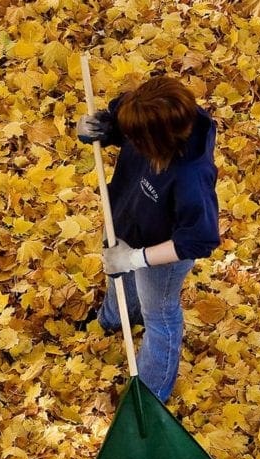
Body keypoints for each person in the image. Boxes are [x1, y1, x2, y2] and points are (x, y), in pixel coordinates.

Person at [75, 75, 220, 403]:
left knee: (160, 313)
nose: (130, 141)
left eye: (136, 139)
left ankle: (150, 393)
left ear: (157, 142)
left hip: (160, 253)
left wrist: (135, 258)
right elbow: (119, 123)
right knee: (118, 277)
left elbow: (199, 240)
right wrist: (98, 129)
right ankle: (114, 318)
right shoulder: (147, 110)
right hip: (125, 216)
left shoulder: (191, 176)